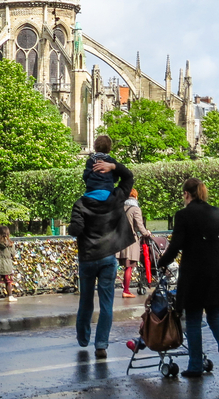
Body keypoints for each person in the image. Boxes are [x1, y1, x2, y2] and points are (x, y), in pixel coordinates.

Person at [157, 178, 219, 377]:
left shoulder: (183, 215)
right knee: (215, 317)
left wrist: (160, 263)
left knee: (193, 320)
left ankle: (195, 366)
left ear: (186, 194)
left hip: (196, 274)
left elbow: (175, 246)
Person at [67, 135, 135, 360]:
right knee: (106, 304)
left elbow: (75, 230)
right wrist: (114, 166)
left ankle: (83, 338)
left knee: (85, 300)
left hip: (88, 258)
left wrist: (77, 226)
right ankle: (101, 345)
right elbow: (128, 177)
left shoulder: (81, 203)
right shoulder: (116, 198)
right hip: (108, 257)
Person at [117, 188, 152, 298]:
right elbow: (140, 227)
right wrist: (147, 233)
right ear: (135, 197)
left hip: (119, 240)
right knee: (129, 266)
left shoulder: (119, 208)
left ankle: (120, 288)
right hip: (130, 242)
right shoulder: (135, 209)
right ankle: (126, 290)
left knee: (119, 265)